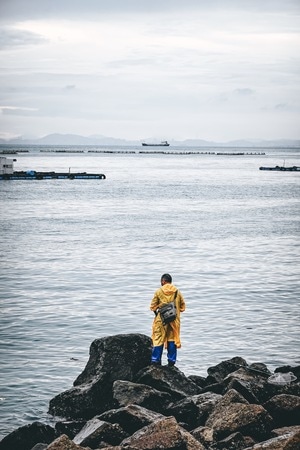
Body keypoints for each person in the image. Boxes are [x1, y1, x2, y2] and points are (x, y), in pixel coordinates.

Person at [150, 273, 186, 366]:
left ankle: (155, 360)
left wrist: (159, 308)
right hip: (174, 319)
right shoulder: (177, 292)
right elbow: (183, 307)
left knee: (158, 338)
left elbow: (153, 306)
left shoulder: (158, 291)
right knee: (172, 339)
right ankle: (171, 361)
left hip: (161, 319)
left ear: (163, 281)